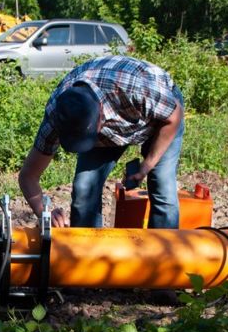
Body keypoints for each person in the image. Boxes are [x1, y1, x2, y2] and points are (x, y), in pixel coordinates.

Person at [18, 55, 185, 229]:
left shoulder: (135, 90)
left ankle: (163, 253)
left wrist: (148, 164)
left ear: (100, 118)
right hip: (120, 117)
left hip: (163, 116)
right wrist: (45, 213)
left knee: (163, 191)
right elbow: (28, 176)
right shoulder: (58, 115)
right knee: (84, 189)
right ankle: (86, 253)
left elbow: (174, 115)